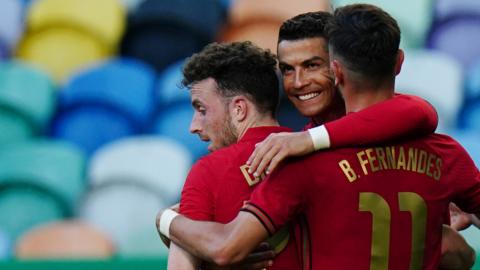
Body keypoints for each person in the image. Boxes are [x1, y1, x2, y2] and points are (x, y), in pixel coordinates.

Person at [158, 4, 480, 270]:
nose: (298, 82)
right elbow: (459, 254)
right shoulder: (442, 151)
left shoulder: (302, 159)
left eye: (313, 65)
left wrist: (167, 219)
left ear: (338, 68)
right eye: (287, 69)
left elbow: (223, 246)